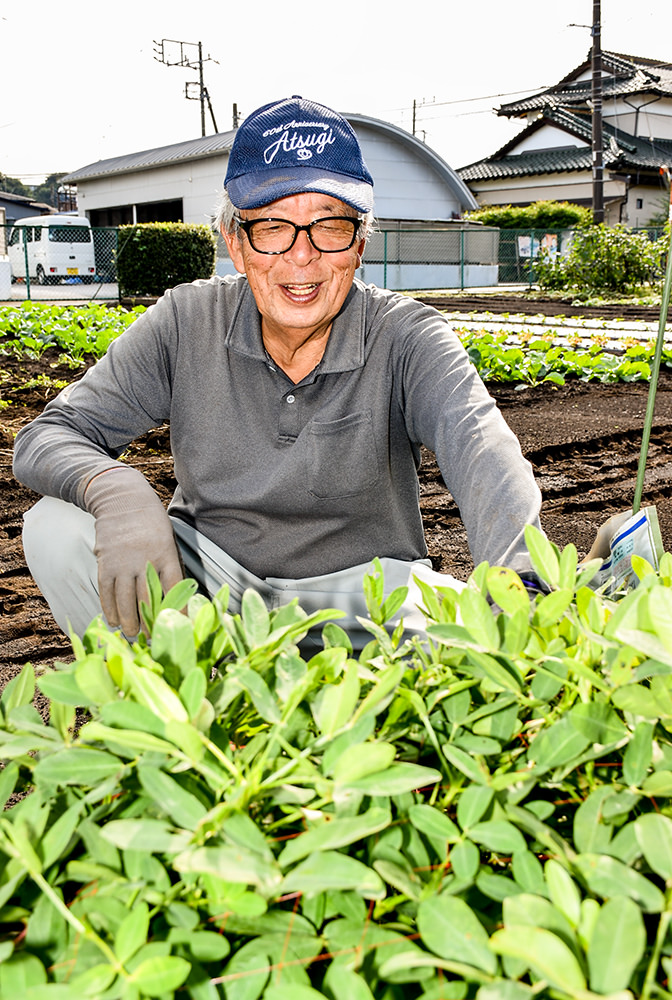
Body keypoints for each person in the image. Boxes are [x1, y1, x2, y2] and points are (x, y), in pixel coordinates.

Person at [13, 95, 544, 648]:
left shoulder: (407, 336)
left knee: (465, 638)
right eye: (271, 227)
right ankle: (166, 717)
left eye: (330, 225)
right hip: (211, 587)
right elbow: (47, 436)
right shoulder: (186, 320)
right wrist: (116, 489)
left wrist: (523, 586)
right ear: (235, 244)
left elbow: (486, 455)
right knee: (56, 529)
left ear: (359, 244)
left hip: (363, 602)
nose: (302, 256)